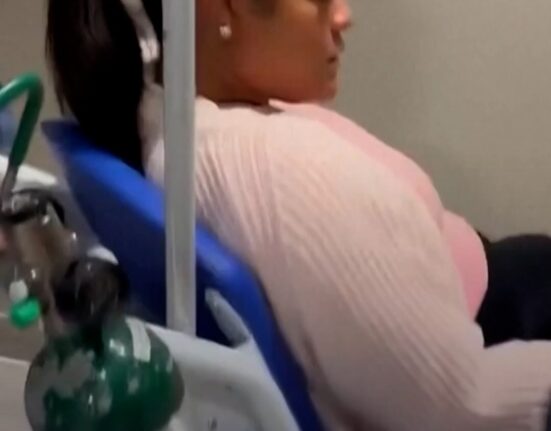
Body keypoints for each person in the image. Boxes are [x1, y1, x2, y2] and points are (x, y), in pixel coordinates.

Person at [46, 0, 551, 429]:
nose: (344, 16)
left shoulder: (189, 125)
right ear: (224, 10)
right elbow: (463, 405)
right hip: (504, 326)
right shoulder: (283, 174)